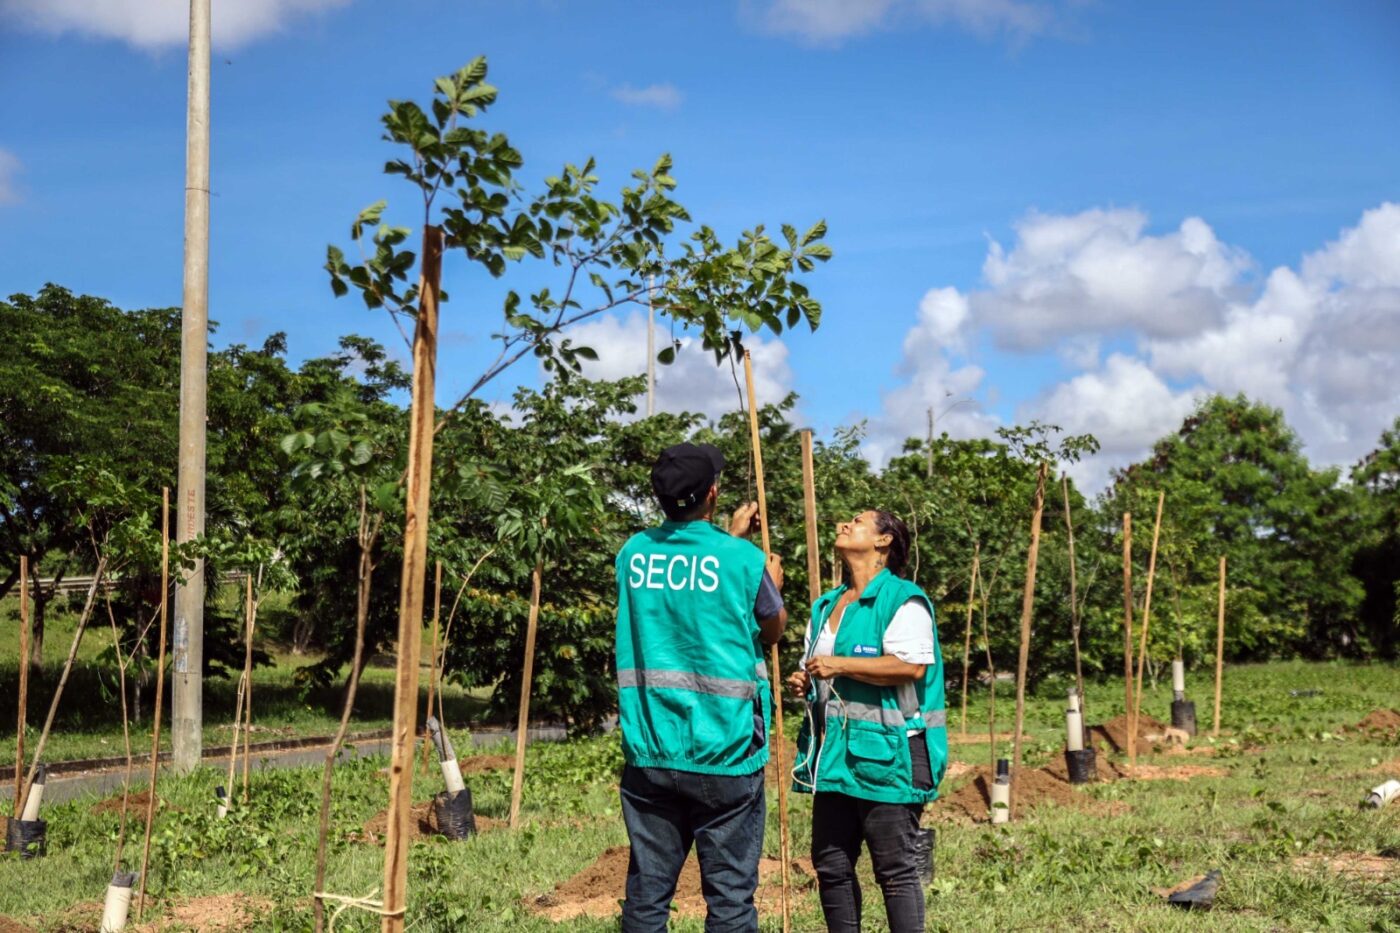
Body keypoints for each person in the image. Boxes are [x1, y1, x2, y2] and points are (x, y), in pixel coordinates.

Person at [615, 441, 787, 932]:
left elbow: (683, 591)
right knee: (730, 899)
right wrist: (768, 576)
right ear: (713, 492)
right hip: (725, 751)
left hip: (651, 750)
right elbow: (771, 630)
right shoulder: (743, 561)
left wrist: (728, 537)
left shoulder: (633, 553)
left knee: (647, 895)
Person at [787, 509, 947, 933]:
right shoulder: (825, 606)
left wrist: (837, 665)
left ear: (883, 542)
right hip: (834, 756)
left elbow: (909, 667)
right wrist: (807, 680)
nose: (843, 524)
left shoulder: (903, 600)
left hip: (888, 754)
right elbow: (823, 668)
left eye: (857, 521)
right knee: (831, 864)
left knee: (894, 870)